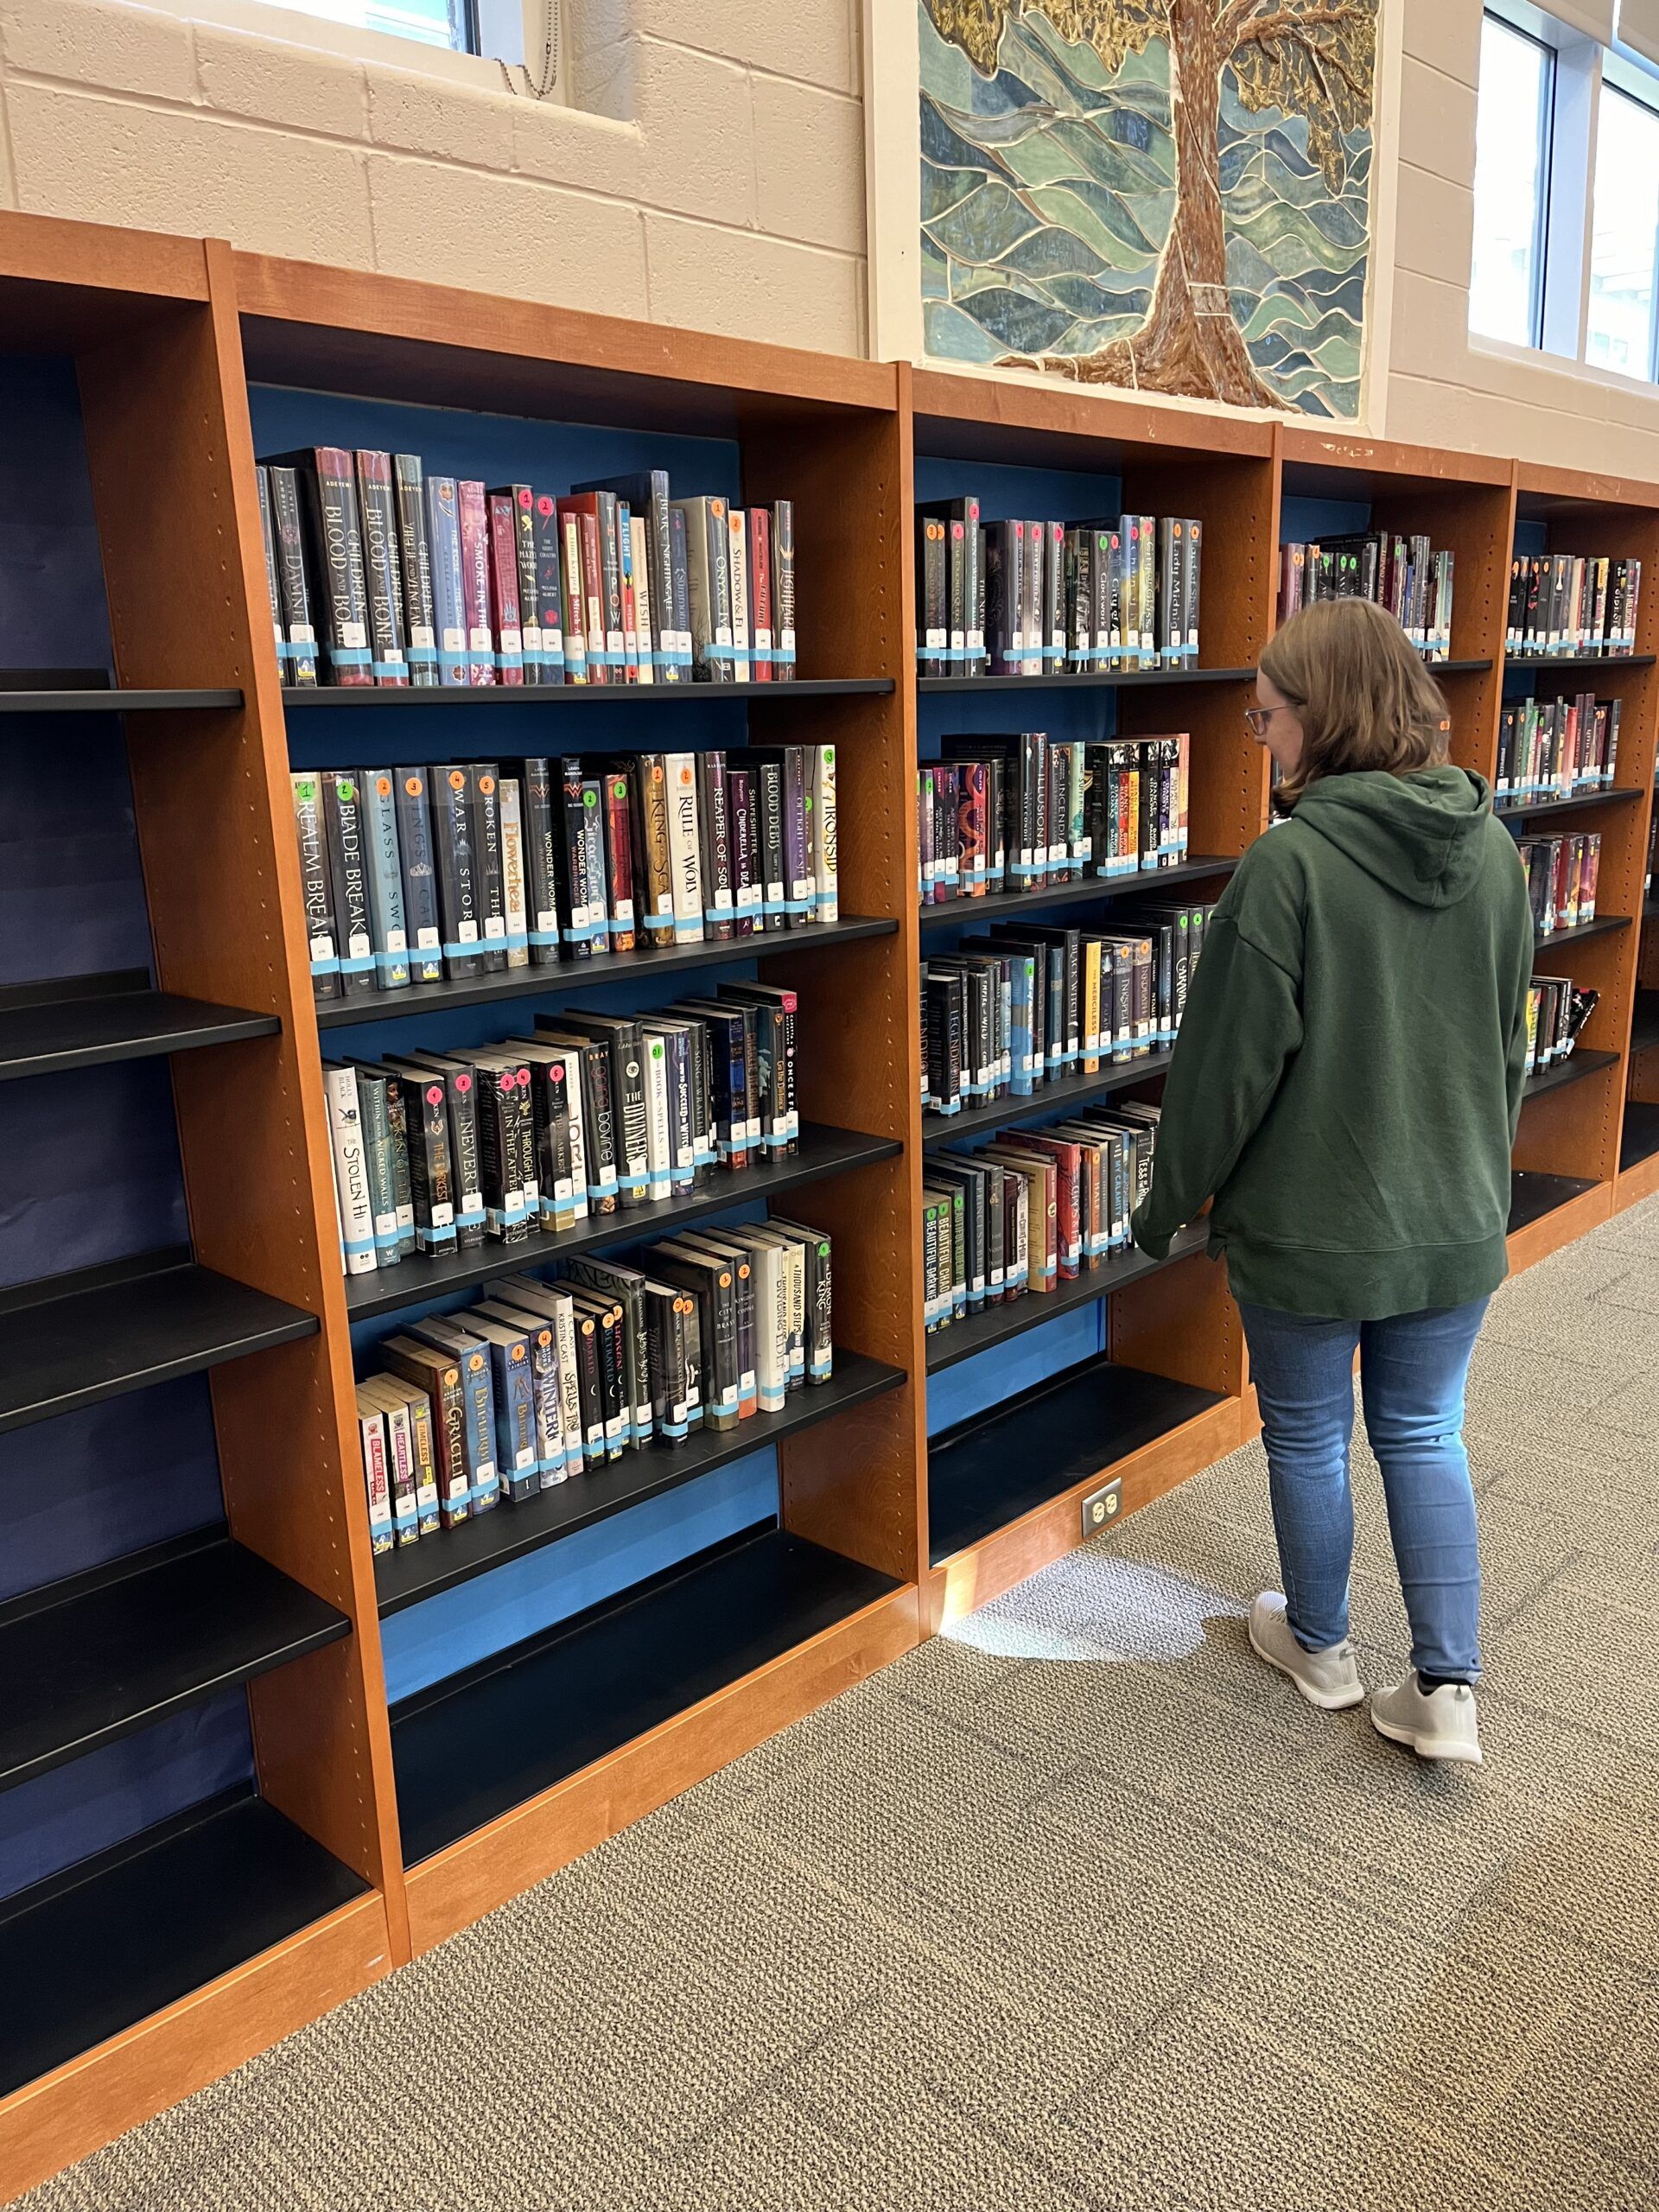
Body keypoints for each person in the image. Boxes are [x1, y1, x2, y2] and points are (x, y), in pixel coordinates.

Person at [1131, 597, 1534, 1764]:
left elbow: (1223, 1075)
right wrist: (1476, 1177)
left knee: (1306, 1436)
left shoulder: (1287, 866)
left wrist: (1167, 1206)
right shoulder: (1501, 851)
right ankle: (1445, 1691)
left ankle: (1321, 1647)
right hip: (1456, 1217)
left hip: (1310, 1228)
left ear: (1324, 718)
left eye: (1266, 719)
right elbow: (1507, 1048)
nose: (1257, 739)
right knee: (1424, 1430)